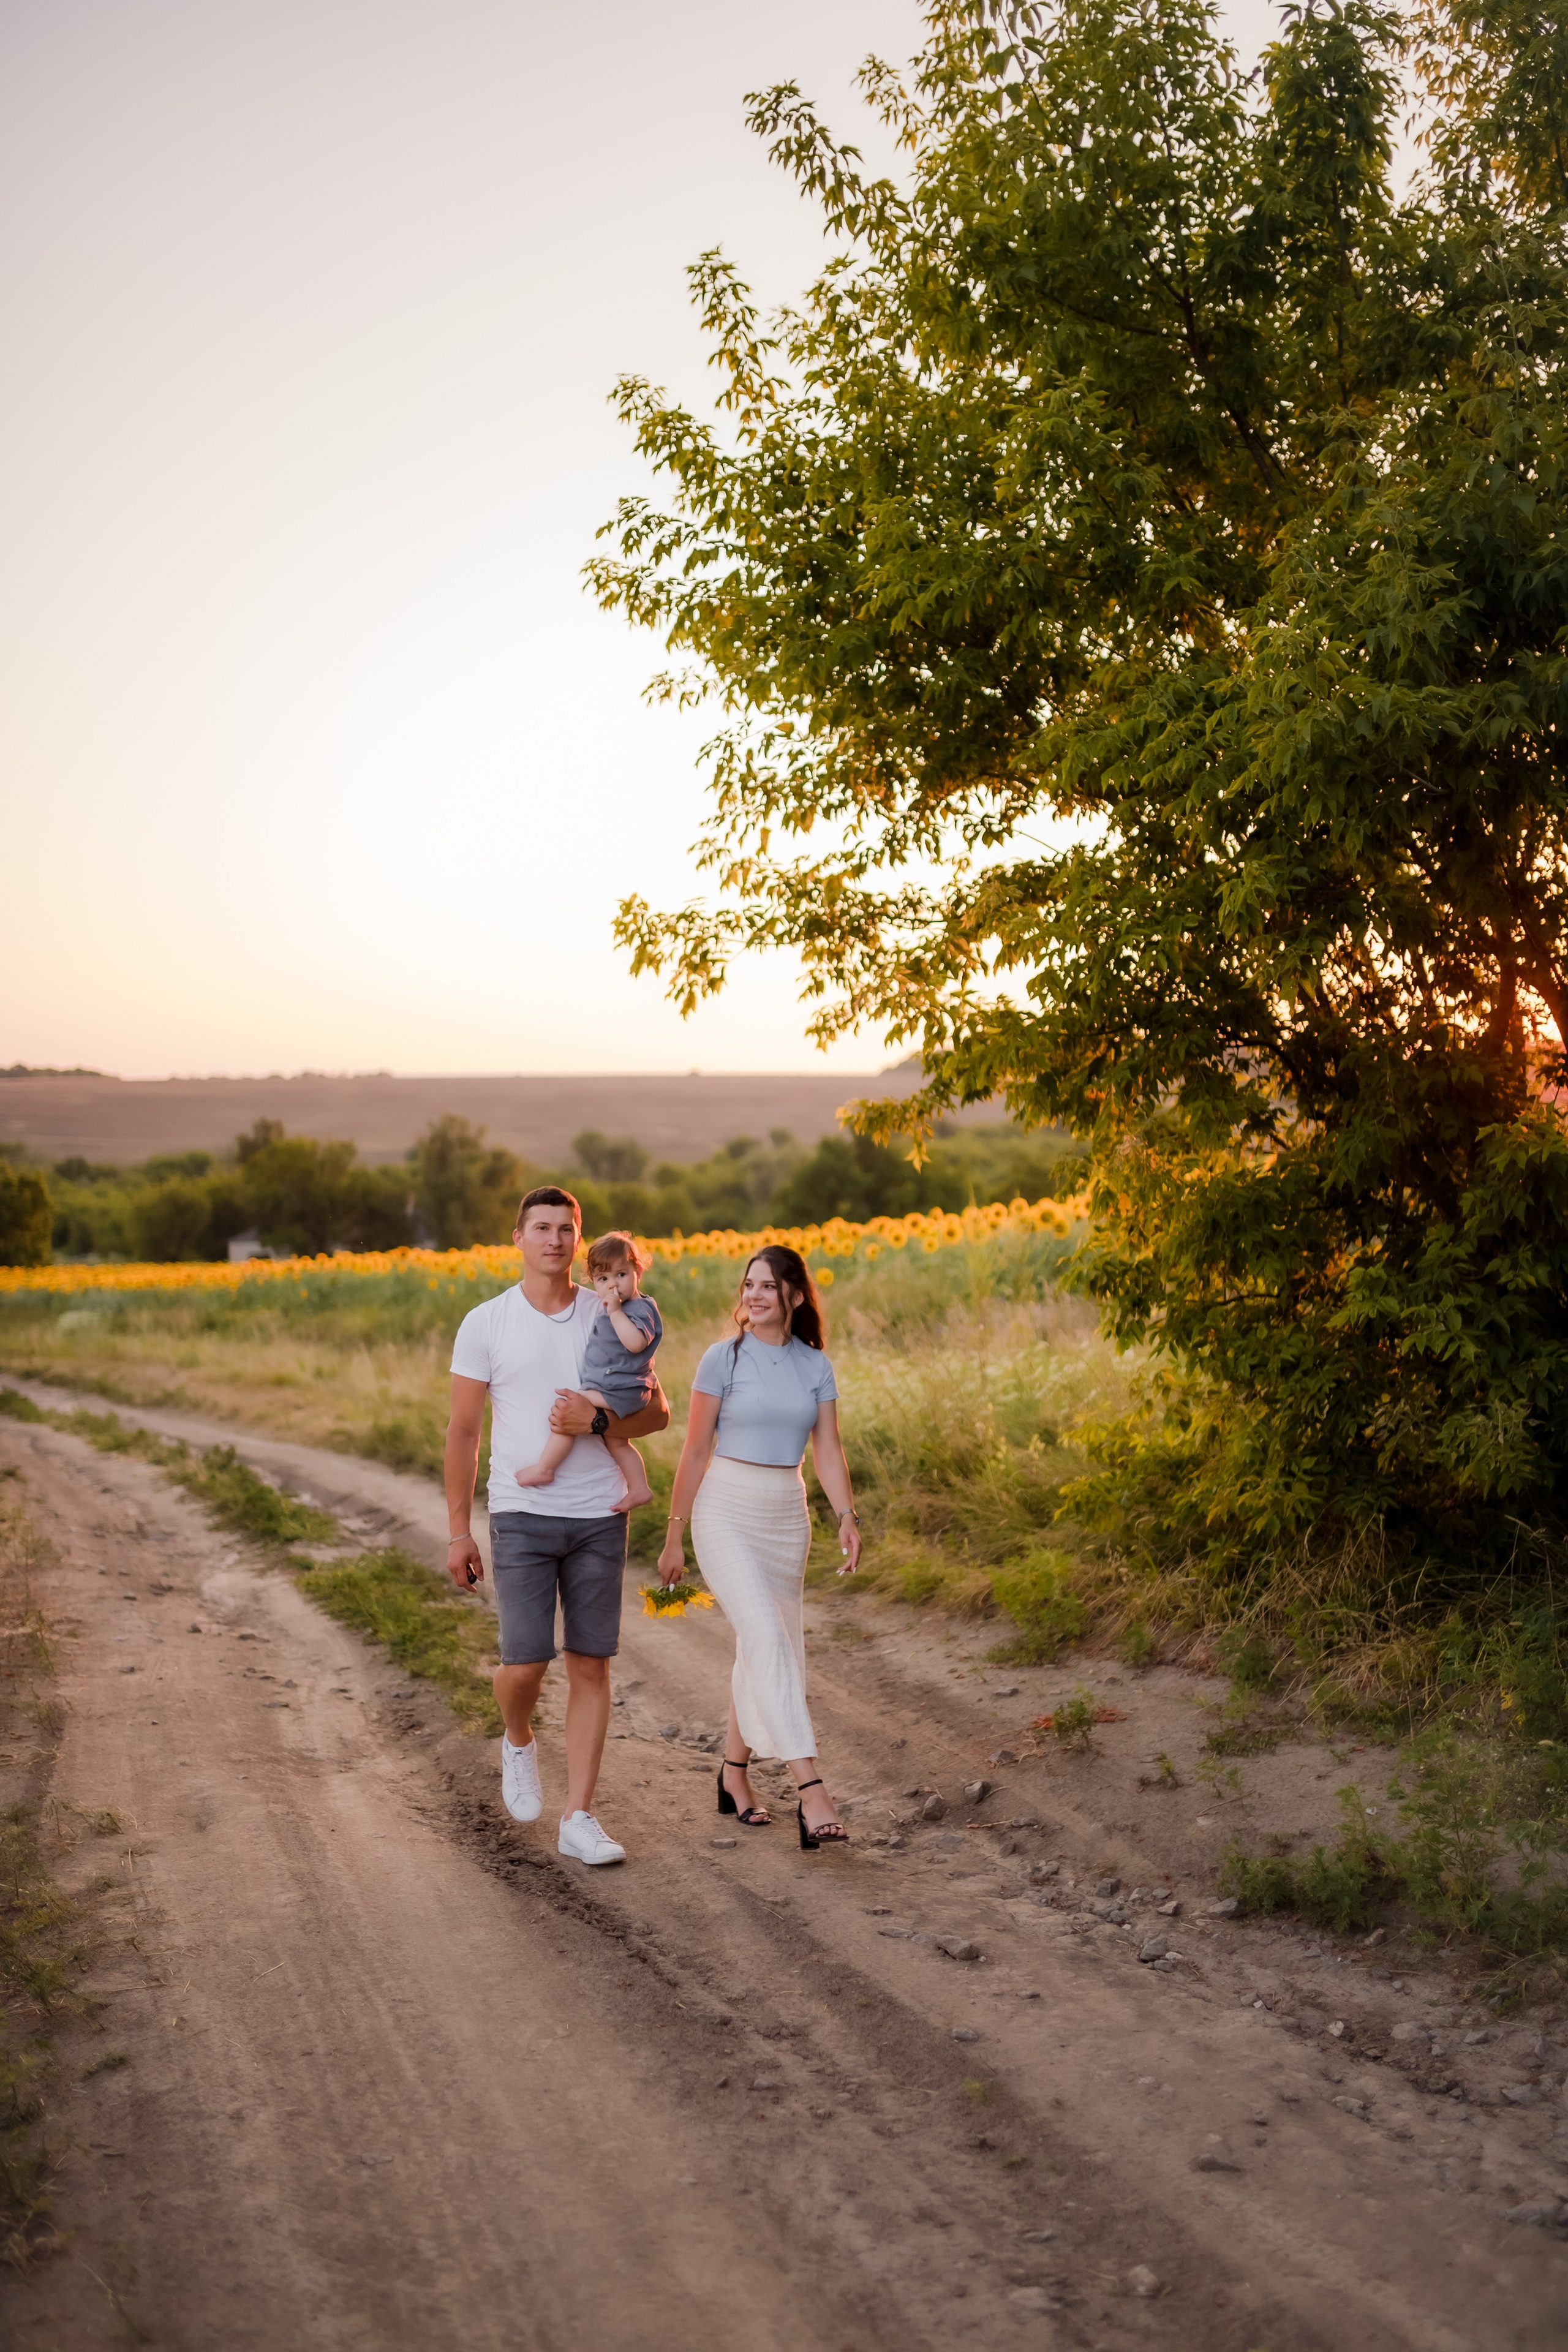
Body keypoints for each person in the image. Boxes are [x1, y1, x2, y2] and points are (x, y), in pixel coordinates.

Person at [444, 1186, 669, 1866]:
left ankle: (578, 1815)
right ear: (517, 1237)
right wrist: (459, 1531)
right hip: (521, 1512)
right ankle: (517, 1739)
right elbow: (461, 1434)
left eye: (566, 1229)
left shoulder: (612, 1310)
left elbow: (656, 1413)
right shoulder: (485, 1322)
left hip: (599, 1514)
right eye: (540, 1228)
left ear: (580, 1238)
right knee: (525, 1663)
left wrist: (597, 1422)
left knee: (590, 1665)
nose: (554, 1240)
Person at [656, 1244, 861, 1850]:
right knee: (770, 1640)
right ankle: (811, 1789)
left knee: (763, 1644)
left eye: (767, 1286)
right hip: (724, 1510)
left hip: (785, 1515)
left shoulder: (813, 1365)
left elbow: (827, 1450)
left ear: (795, 1296)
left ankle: (733, 1775)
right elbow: (694, 1451)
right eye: (748, 1285)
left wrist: (846, 1515)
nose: (753, 1295)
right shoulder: (722, 1359)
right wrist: (674, 1535)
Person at [514, 1230, 660, 1512]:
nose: (612, 1286)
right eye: (603, 1279)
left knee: (571, 1410)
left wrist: (616, 1312)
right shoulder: (619, 1306)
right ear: (593, 1280)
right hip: (618, 1386)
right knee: (617, 1442)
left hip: (621, 1388)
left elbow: (635, 1343)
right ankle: (640, 1488)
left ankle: (545, 1468)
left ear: (638, 1271)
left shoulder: (640, 1308)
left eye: (621, 1275)